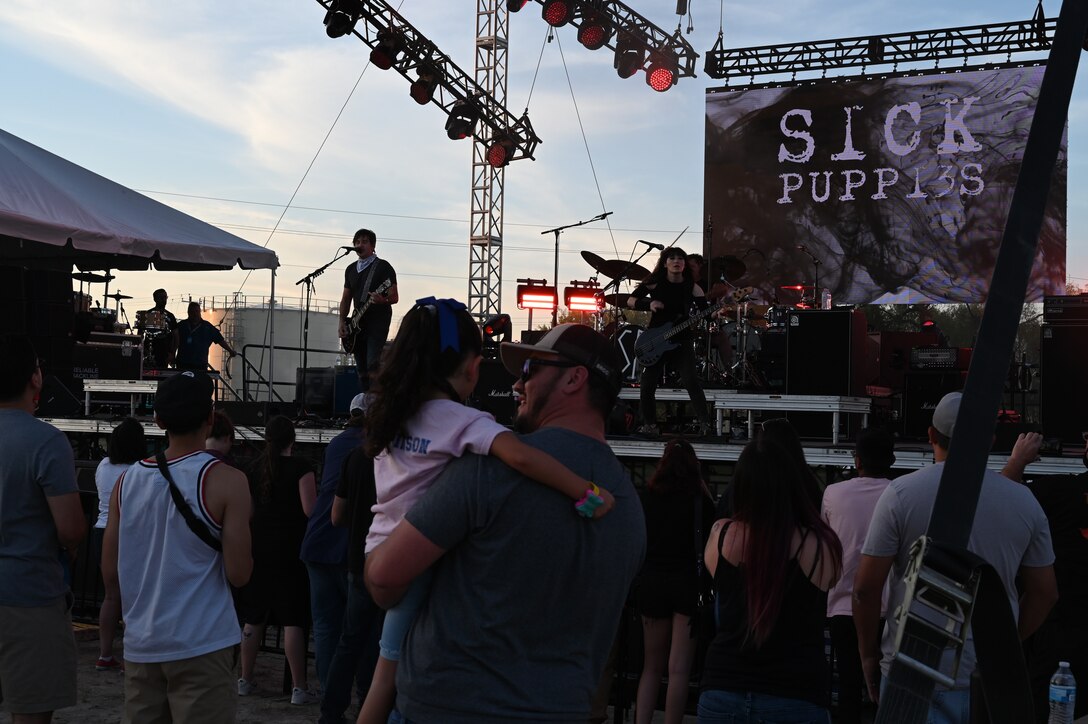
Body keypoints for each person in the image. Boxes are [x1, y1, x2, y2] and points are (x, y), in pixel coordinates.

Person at [365, 322, 646, 723]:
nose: (518, 384)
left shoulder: (486, 470)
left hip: (449, 709)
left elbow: (384, 580)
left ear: (574, 379)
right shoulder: (629, 507)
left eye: (531, 370)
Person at [853, 393, 1057, 724]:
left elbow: (865, 589)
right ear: (990, 440)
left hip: (911, 672)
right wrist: (1004, 643)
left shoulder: (901, 495)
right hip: (987, 680)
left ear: (931, 436)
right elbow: (1045, 593)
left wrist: (867, 654)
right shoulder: (1024, 502)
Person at [102, 370, 252, 724]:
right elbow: (240, 573)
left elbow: (110, 572)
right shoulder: (229, 481)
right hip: (203, 643)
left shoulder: (125, 482)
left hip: (143, 645)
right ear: (211, 418)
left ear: (157, 419)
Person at [699, 435, 842, 723]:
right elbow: (831, 580)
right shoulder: (819, 545)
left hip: (723, 687)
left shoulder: (721, 535)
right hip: (796, 693)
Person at [0, 336, 86, 724]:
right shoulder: (46, 442)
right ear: (35, 378)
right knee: (30, 712)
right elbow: (70, 529)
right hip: (28, 596)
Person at [236, 415, 318, 705]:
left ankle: (245, 678)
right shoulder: (301, 467)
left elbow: (246, 512)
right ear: (292, 440)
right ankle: (299, 686)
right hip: (290, 548)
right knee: (293, 618)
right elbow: (310, 509)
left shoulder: (252, 468)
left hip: (259, 546)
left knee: (253, 615)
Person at [635, 439, 716, 724]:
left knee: (651, 667)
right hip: (686, 583)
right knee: (678, 669)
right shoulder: (699, 501)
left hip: (653, 579)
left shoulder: (647, 497)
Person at [820, 427, 895, 724]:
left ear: (857, 460)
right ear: (891, 460)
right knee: (885, 682)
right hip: (887, 605)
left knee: (848, 682)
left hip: (842, 603)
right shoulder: (899, 493)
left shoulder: (833, 493)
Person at [301, 393, 367, 692]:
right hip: (345, 547)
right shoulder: (371, 449)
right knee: (357, 629)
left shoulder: (337, 443)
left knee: (326, 627)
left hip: (317, 541)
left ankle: (330, 692)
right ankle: (362, 693)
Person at [1022, 432, 1088, 722]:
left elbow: (995, 497)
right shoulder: (1059, 490)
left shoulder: (1059, 491)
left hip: (1062, 645)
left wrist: (1017, 460)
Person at [319, 436, 385, 724]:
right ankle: (372, 709)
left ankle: (331, 714)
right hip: (394, 564)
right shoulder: (406, 458)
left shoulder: (355, 457)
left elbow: (336, 516)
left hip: (359, 561)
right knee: (386, 645)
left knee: (350, 641)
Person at [627, 246, 714, 436]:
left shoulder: (692, 287)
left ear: (684, 264)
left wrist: (715, 312)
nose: (677, 261)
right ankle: (650, 425)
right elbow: (631, 301)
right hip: (655, 339)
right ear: (665, 263)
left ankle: (705, 424)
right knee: (648, 383)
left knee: (691, 380)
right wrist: (648, 304)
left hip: (681, 339)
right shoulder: (654, 283)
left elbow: (707, 315)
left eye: (680, 259)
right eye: (672, 258)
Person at [93, 417, 146, 672]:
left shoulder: (103, 466)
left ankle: (104, 654)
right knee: (133, 599)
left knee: (110, 597)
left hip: (101, 532)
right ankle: (129, 656)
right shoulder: (137, 470)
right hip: (126, 535)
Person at [339, 228, 399, 391]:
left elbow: (394, 297)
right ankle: (365, 403)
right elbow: (346, 299)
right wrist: (342, 322)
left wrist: (382, 300)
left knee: (373, 363)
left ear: (373, 246)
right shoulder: (350, 269)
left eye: (364, 241)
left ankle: (378, 403)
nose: (360, 245)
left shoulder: (383, 267)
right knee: (361, 370)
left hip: (377, 323)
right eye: (357, 242)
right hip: (357, 326)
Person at [686, 253, 733, 380]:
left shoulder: (708, 283)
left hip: (705, 327)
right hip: (683, 328)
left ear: (701, 267)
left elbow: (723, 289)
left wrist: (706, 298)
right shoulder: (682, 283)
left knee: (721, 337)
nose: (688, 269)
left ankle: (731, 374)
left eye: (692, 266)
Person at [173, 301, 237, 372]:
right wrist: (171, 355)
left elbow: (220, 340)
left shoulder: (207, 327)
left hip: (200, 364)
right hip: (183, 364)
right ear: (188, 312)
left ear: (200, 312)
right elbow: (173, 341)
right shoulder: (181, 326)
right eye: (192, 311)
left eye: (196, 311)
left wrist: (230, 350)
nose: (194, 314)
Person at [139, 288, 177, 369]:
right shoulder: (148, 314)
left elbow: (176, 336)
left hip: (164, 353)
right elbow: (140, 335)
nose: (164, 300)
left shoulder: (170, 316)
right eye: (161, 297)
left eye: (165, 297)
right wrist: (142, 350)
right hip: (148, 352)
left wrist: (172, 353)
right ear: (155, 299)